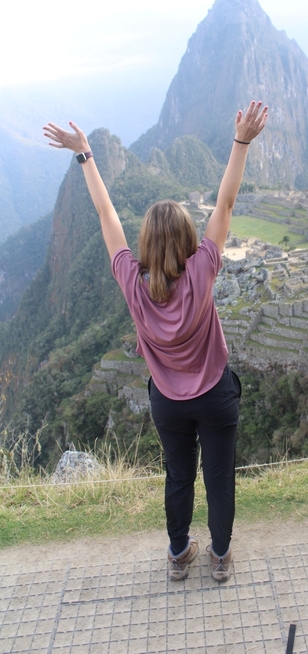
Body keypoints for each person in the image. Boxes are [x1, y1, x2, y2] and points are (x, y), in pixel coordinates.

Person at [43, 101, 268, 582]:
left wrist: (86, 156)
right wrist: (241, 142)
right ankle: (221, 556)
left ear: (146, 244)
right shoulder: (203, 270)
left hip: (167, 401)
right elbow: (225, 203)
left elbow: (107, 217)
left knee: (178, 475)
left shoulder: (132, 281)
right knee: (219, 478)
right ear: (188, 238)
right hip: (215, 396)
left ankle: (179, 552)